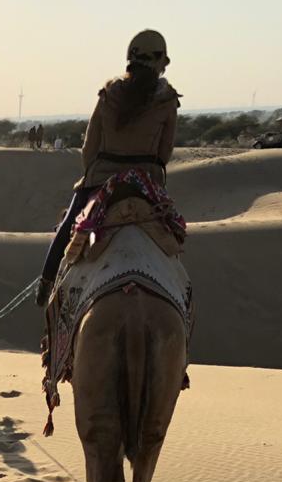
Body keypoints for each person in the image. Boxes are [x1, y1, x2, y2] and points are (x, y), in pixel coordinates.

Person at [35, 29, 180, 305]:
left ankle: (46, 283)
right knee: (174, 236)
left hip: (101, 179)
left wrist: (93, 175)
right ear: (160, 63)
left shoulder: (109, 94)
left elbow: (90, 147)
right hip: (146, 183)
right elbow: (164, 152)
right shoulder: (167, 100)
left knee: (68, 228)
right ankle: (182, 299)